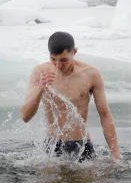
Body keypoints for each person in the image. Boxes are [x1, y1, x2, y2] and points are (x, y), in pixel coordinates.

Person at [21, 31, 120, 162]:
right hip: (52, 145)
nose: (58, 65)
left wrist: (115, 155)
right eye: (53, 59)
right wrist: (40, 88)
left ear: (74, 52)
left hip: (81, 144)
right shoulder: (40, 72)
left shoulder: (91, 74)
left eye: (64, 60)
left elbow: (105, 115)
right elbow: (25, 116)